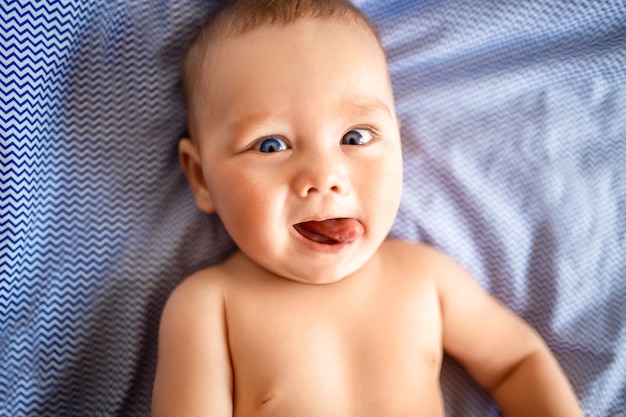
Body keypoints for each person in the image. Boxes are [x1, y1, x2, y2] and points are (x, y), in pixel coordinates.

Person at [152, 0, 584, 415]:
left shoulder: (425, 277)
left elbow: (517, 362)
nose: (324, 177)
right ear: (201, 177)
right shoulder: (209, 308)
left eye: (356, 137)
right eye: (271, 145)